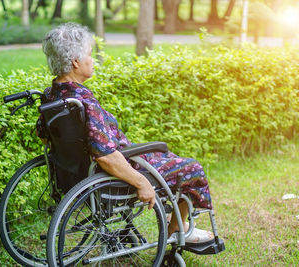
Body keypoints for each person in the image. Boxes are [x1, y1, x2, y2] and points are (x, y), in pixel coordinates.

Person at [37, 22, 214, 244]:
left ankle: (180, 223)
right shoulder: (83, 102)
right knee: (192, 168)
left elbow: (44, 136)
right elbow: (106, 156)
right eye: (90, 55)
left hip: (77, 175)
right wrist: (141, 182)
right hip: (116, 173)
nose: (93, 60)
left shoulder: (52, 96)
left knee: (166, 159)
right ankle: (177, 229)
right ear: (75, 62)